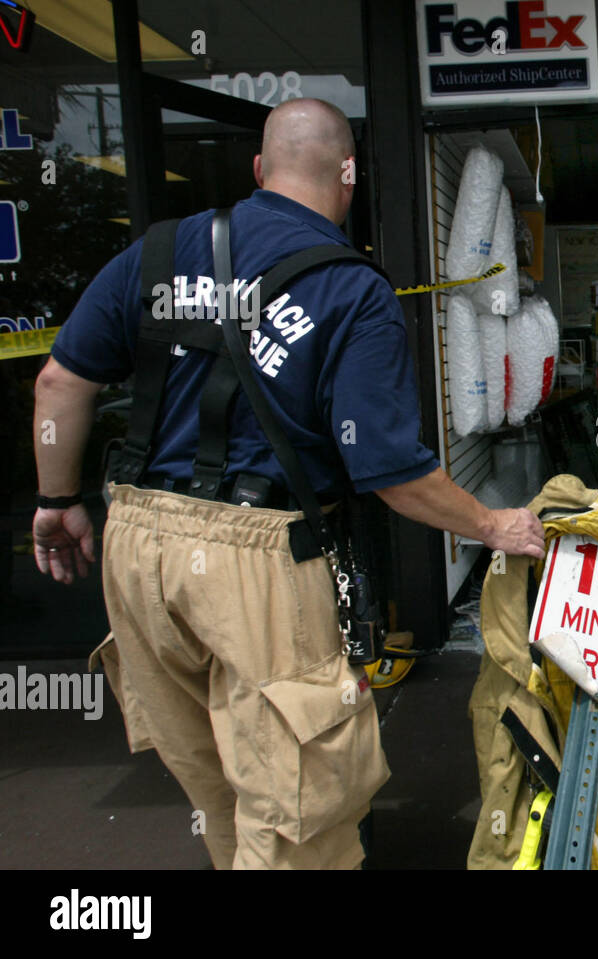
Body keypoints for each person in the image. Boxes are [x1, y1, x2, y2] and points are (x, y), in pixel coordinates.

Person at [30, 98, 544, 869]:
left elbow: (57, 384)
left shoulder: (158, 252)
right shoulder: (352, 287)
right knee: (300, 815)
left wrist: (56, 500)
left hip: (136, 548)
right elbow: (392, 472)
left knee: (221, 791)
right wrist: (495, 525)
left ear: (259, 171)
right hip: (255, 561)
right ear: (349, 174)